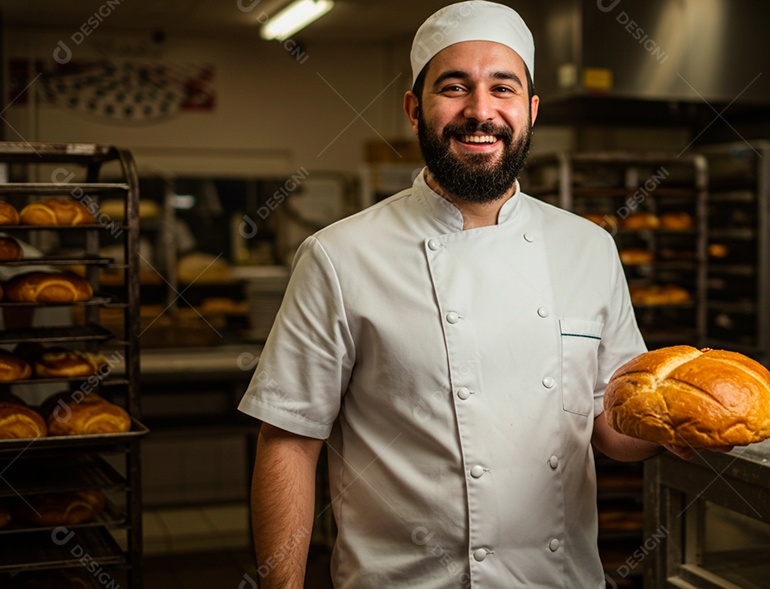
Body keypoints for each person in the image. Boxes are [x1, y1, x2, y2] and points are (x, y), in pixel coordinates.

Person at [239, 2, 683, 587]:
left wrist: (679, 428)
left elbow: (612, 424)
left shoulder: (589, 248)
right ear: (413, 109)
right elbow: (289, 441)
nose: (480, 111)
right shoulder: (339, 256)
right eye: (454, 87)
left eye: (503, 87)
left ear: (530, 110)